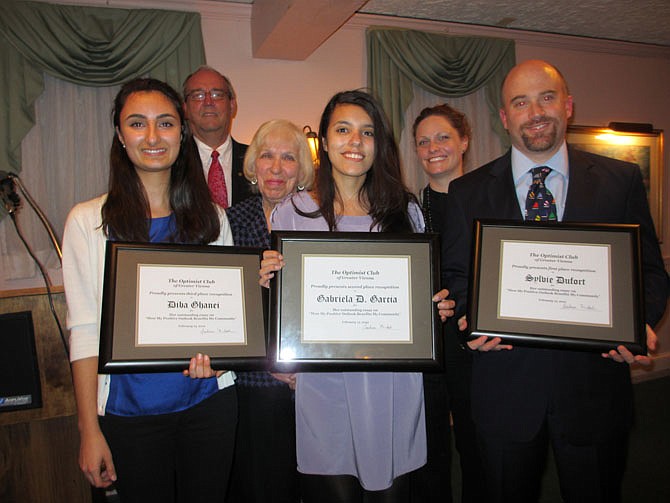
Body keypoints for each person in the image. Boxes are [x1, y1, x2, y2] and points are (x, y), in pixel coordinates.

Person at [441, 60, 669, 502]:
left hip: (593, 391)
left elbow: (651, 272)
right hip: (505, 392)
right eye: (520, 103)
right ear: (505, 117)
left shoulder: (619, 181)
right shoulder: (468, 192)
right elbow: (457, 277)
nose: (536, 112)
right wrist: (471, 320)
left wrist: (639, 322)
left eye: (546, 98)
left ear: (568, 106)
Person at [260, 90, 456, 503]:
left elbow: (416, 294)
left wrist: (431, 308)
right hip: (322, 387)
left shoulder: (405, 210)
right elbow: (281, 304)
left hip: (393, 385)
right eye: (343, 130)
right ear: (325, 142)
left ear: (378, 144)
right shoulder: (293, 213)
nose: (355, 141)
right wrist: (268, 288)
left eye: (367, 132)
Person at [62, 78, 237, 503]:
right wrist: (89, 429)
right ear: (121, 136)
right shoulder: (88, 222)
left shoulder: (213, 218)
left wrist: (224, 355)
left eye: (166, 123)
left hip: (208, 405)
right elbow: (85, 330)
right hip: (128, 412)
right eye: (138, 124)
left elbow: (228, 316)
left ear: (182, 132)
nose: (154, 136)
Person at [225, 119, 314, 503]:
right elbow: (224, 308)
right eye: (266, 156)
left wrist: (304, 371)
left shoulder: (323, 219)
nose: (276, 169)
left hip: (315, 385)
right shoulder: (230, 221)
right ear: (252, 165)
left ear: (303, 169)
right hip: (254, 386)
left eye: (288, 158)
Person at [410, 104, 485, 503]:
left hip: (473, 344)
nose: (432, 147)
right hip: (423, 347)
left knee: (477, 446)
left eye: (442, 137)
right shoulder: (404, 210)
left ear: (464, 142)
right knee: (428, 448)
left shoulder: (490, 202)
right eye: (423, 141)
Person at [182, 66, 254, 207]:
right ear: (185, 108)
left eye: (217, 95)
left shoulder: (257, 160)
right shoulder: (173, 163)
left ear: (232, 106)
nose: (208, 102)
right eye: (198, 95)